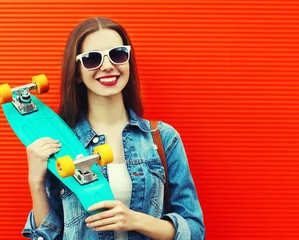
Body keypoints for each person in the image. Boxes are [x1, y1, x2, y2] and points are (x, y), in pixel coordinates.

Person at [21, 16, 205, 240]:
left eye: (118, 54)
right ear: (77, 72)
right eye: (92, 59)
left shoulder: (163, 138)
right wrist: (36, 181)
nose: (107, 66)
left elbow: (195, 231)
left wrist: (136, 220)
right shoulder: (60, 144)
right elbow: (46, 237)